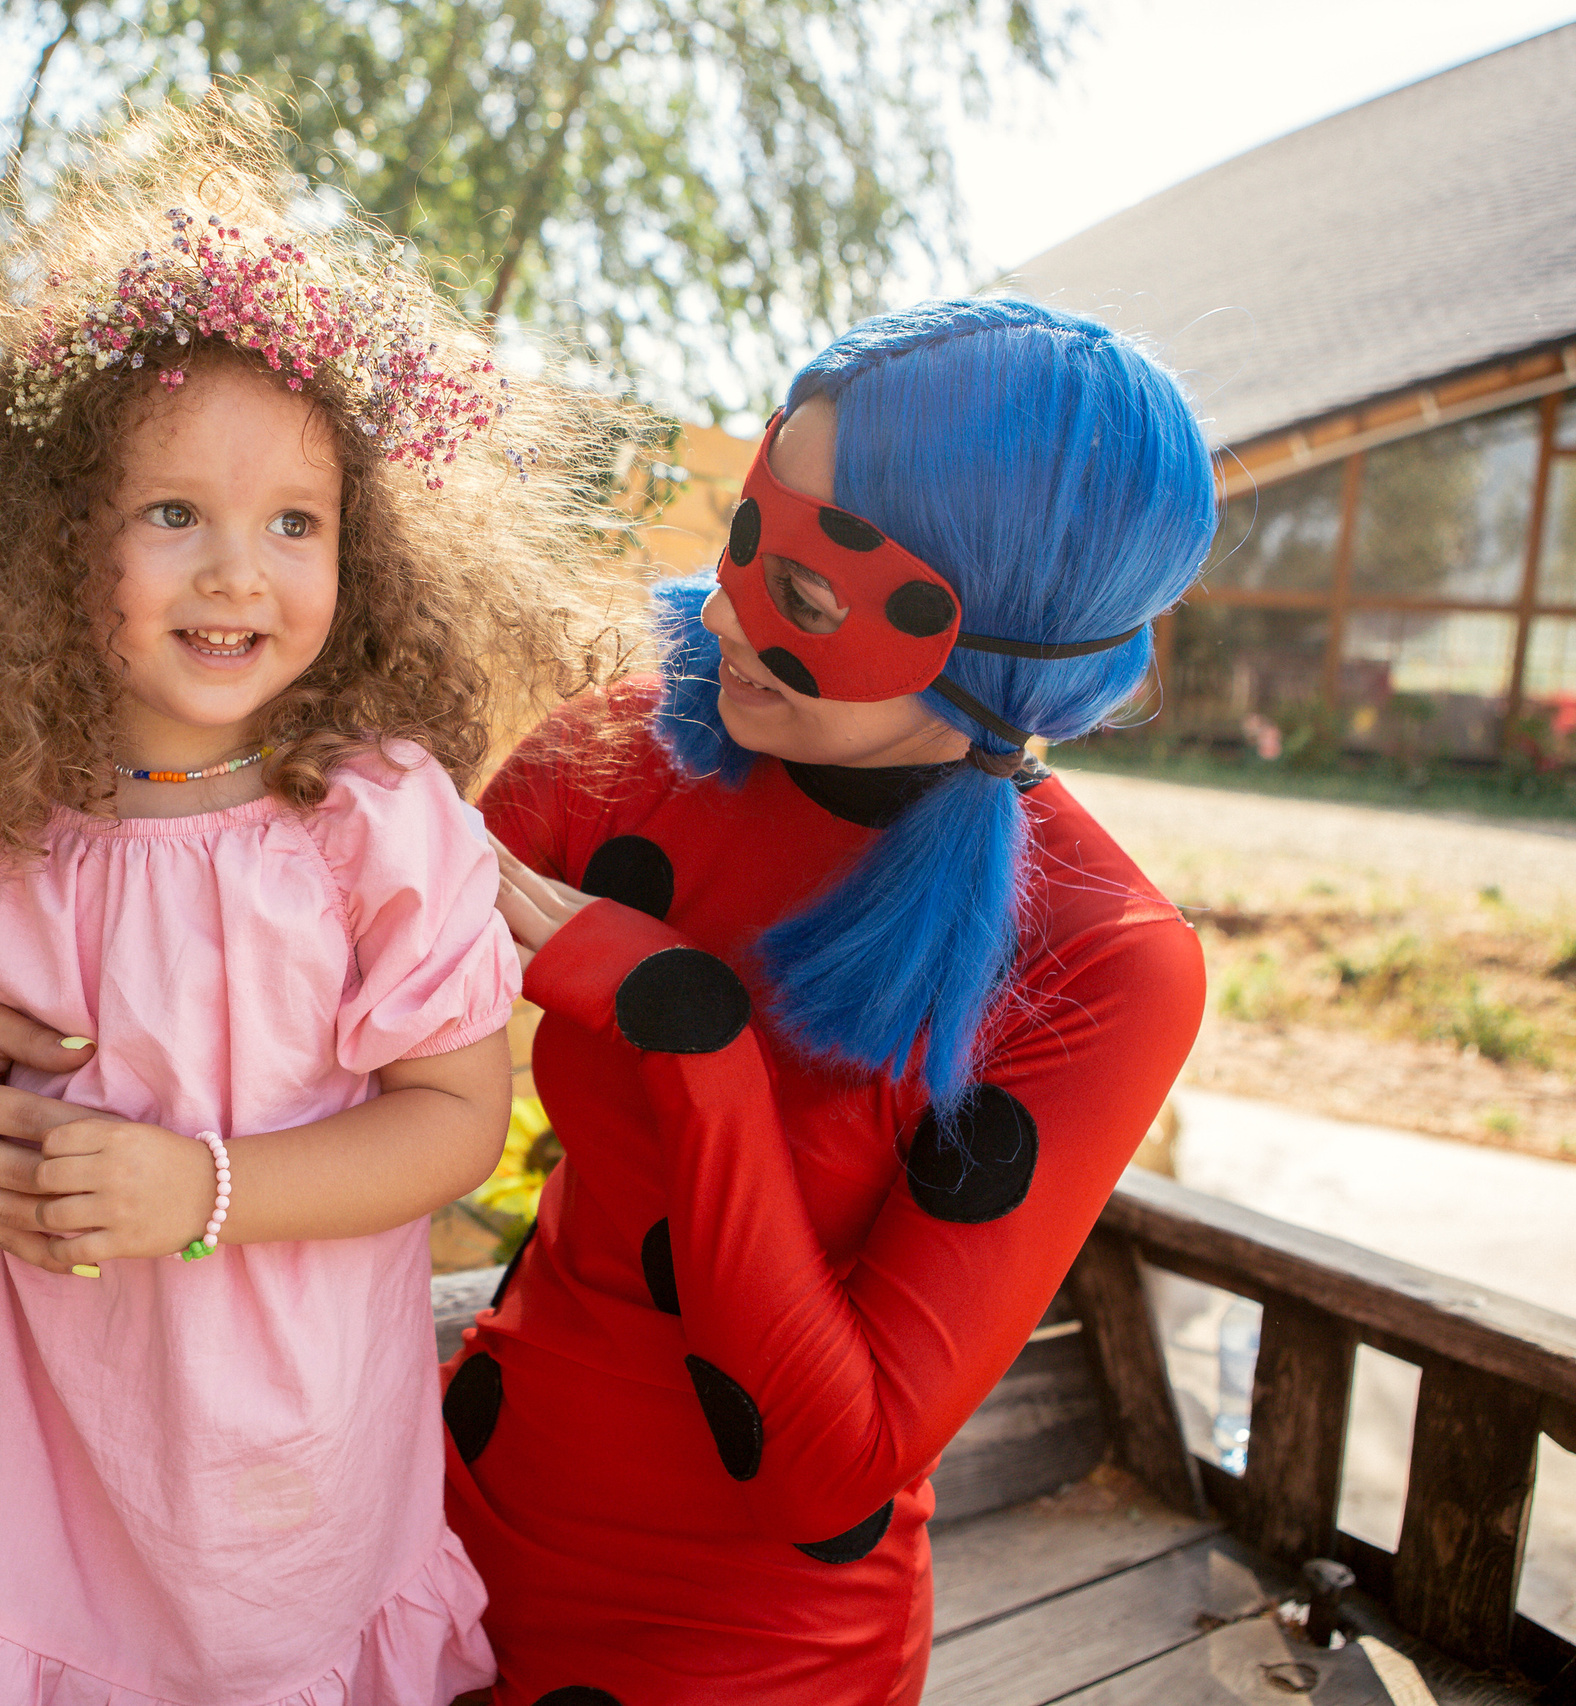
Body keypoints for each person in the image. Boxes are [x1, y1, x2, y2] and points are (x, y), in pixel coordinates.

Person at [0, 103, 635, 1706]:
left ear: (360, 552)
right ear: (43, 549)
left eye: (294, 523)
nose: (240, 571)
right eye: (174, 515)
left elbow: (451, 1120)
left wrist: (203, 1189)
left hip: (296, 1483)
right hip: (58, 1474)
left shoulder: (376, 823)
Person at [447, 297, 1220, 1703]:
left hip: (739, 1648)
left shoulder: (1098, 954)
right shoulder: (635, 748)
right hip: (442, 1526)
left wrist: (692, 1034)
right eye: (750, 529)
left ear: (995, 636)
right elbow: (307, 956)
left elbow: (833, 1460)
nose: (730, 605)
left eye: (808, 593)